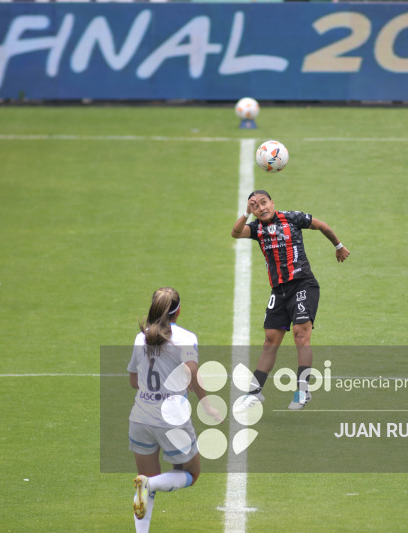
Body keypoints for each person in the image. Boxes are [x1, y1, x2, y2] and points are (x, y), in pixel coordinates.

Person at [231, 190, 350, 410]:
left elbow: (321, 225)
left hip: (303, 284)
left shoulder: (292, 218)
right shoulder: (256, 228)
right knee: (270, 341)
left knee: (300, 336)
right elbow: (236, 233)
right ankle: (254, 392)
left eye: (264, 202)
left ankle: (303, 391)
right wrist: (246, 213)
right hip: (279, 291)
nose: (261, 208)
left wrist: (338, 246)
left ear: (272, 202)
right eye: (255, 206)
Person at [127, 287, 217, 532]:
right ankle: (150, 484)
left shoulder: (140, 338)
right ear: (178, 312)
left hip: (140, 419)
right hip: (172, 419)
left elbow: (134, 381)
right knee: (191, 473)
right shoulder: (186, 338)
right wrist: (207, 405)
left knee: (145, 483)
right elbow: (192, 372)